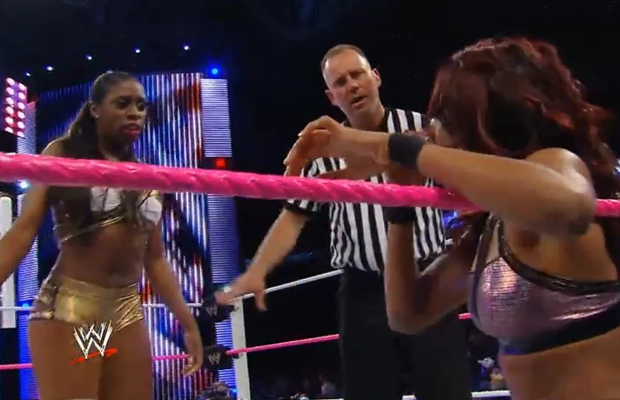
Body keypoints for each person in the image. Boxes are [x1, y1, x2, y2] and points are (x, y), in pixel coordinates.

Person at [283, 38, 620, 400]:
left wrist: (391, 146)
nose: (436, 131)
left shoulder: (555, 162)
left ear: (480, 118)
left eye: (444, 117)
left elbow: (568, 207)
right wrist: (399, 203)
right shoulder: (491, 228)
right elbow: (407, 314)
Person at [218, 44, 471, 400]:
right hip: (364, 292)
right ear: (331, 96)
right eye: (340, 82)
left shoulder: (421, 128)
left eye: (357, 74)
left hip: (427, 276)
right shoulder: (322, 151)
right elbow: (292, 217)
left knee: (446, 389)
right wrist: (257, 271)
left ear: (375, 77)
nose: (352, 85)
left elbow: (464, 171)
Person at [0, 71, 204, 400]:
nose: (134, 113)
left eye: (141, 106)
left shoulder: (147, 176)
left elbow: (155, 259)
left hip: (126, 310)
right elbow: (24, 229)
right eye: (122, 104)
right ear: (95, 109)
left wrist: (188, 323)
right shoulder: (63, 155)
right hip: (74, 309)